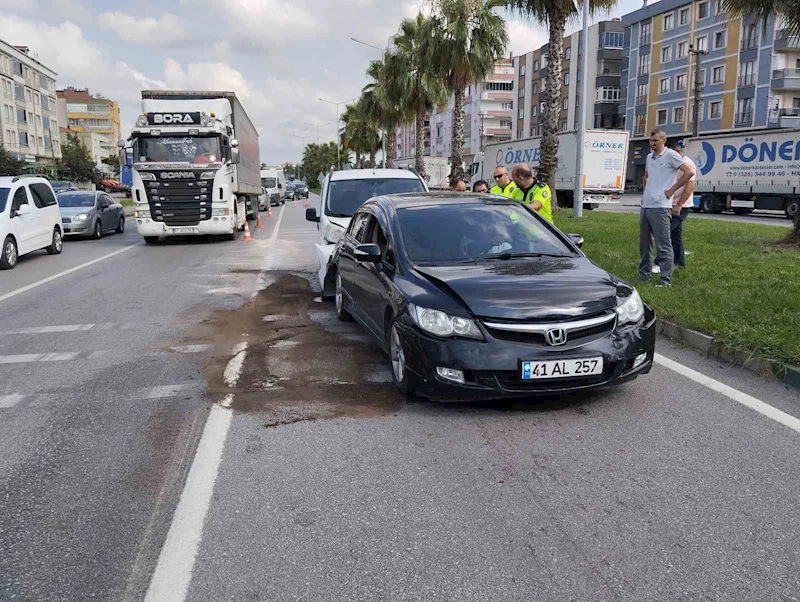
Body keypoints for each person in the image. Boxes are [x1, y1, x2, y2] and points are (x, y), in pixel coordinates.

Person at [640, 128, 694, 287]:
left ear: (663, 140)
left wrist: (672, 189)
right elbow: (647, 176)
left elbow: (689, 172)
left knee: (663, 244)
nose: (652, 144)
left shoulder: (671, 155)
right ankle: (644, 275)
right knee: (644, 244)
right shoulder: (649, 157)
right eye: (650, 141)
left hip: (661, 207)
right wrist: (646, 193)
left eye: (655, 141)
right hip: (647, 205)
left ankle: (665, 280)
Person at [667, 138, 696, 269]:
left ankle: (658, 263)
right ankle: (679, 263)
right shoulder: (674, 163)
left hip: (680, 206)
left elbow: (690, 186)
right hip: (670, 204)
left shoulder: (687, 164)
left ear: (677, 151)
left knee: (665, 234)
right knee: (675, 236)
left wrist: (679, 205)